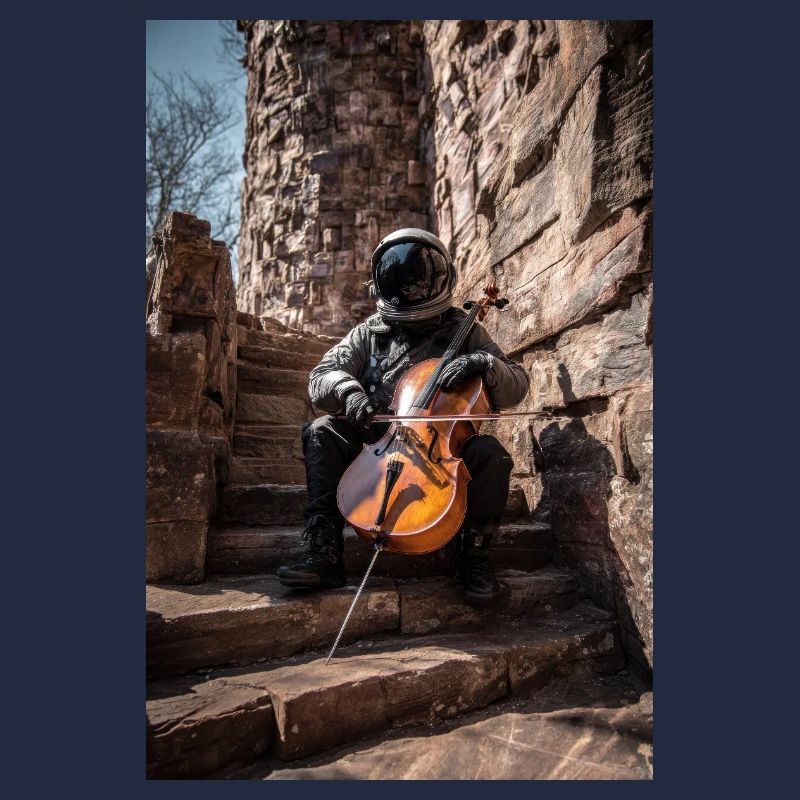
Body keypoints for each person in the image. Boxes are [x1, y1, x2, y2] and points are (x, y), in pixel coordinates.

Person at [277, 228, 529, 604]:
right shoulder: (369, 333)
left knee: (490, 454)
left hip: (438, 447)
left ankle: (473, 555)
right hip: (376, 439)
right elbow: (320, 377)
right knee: (322, 430)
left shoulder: (467, 331)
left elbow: (518, 385)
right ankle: (324, 548)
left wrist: (484, 363)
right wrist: (348, 392)